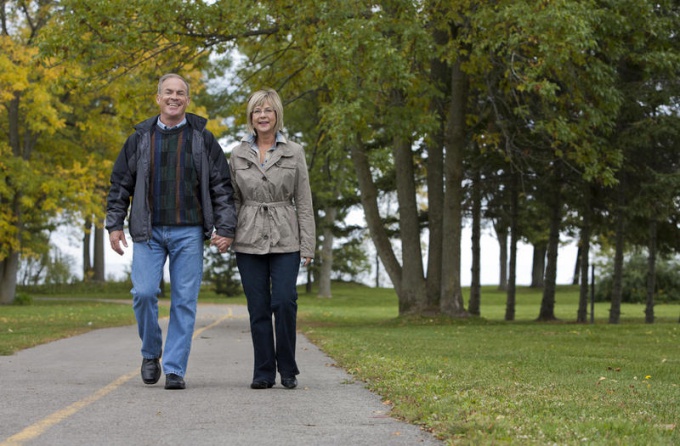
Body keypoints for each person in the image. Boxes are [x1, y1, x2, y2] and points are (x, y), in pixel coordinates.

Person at [106, 73, 236, 390]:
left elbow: (221, 186)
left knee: (184, 301)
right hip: (148, 232)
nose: (174, 97)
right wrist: (114, 223)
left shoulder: (203, 139)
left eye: (180, 93)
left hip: (189, 232)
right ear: (158, 97)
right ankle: (151, 353)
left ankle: (175, 368)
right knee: (144, 293)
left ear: (187, 100)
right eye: (168, 92)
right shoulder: (139, 138)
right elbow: (120, 183)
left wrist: (226, 227)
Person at [230, 88, 315, 390]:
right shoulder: (238, 154)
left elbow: (303, 201)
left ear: (277, 114)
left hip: (286, 237)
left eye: (267, 110)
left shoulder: (294, 152)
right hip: (248, 237)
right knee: (258, 308)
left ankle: (288, 367)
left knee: (284, 300)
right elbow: (234, 200)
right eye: (257, 111)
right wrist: (227, 233)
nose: (262, 116)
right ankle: (264, 372)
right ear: (250, 117)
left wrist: (308, 245)